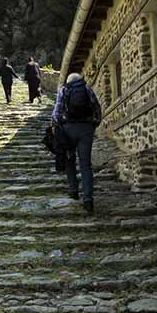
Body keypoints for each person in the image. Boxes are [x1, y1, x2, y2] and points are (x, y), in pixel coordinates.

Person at [51, 72, 102, 214]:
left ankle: (73, 190)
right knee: (86, 164)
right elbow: (97, 108)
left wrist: (57, 126)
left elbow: (56, 112)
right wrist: (93, 125)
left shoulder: (64, 90)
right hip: (86, 129)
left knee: (69, 159)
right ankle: (88, 199)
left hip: (68, 129)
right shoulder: (87, 89)